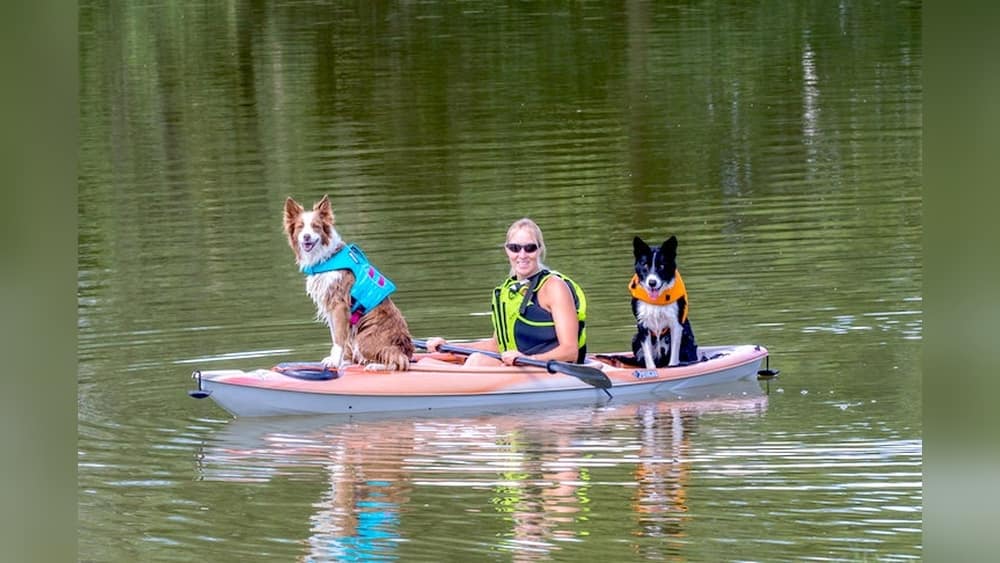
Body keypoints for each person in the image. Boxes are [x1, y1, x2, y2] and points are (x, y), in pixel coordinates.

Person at [425, 218, 587, 366]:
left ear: (539, 250)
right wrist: (448, 346)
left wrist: (528, 360)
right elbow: (497, 345)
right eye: (515, 248)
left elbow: (570, 352)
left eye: (529, 248)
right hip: (521, 367)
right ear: (507, 250)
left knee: (477, 361)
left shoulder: (554, 287)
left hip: (552, 370)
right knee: (429, 362)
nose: (522, 255)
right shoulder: (508, 291)